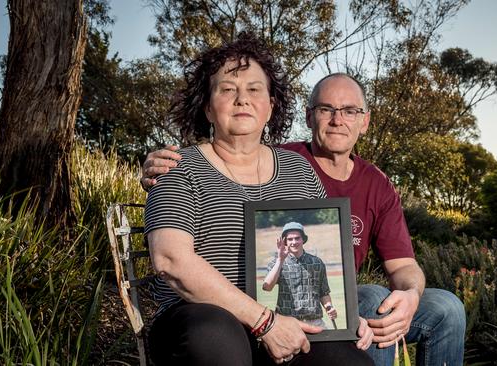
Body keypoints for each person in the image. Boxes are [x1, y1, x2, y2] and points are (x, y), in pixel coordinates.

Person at [142, 72, 467, 366]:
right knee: (369, 298)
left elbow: (403, 265)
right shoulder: (287, 160)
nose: (338, 120)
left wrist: (410, 295)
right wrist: (158, 174)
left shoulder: (371, 182)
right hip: (241, 313)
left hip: (320, 301)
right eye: (326, 109)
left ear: (364, 121)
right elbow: (234, 159)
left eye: (349, 111)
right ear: (309, 117)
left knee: (445, 307)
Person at [143, 35, 373, 365]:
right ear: (207, 107)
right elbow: (170, 261)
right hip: (200, 318)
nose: (242, 100)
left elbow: (327, 256)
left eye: (254, 89)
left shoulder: (299, 170)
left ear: (270, 106)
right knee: (216, 337)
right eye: (227, 89)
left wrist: (347, 317)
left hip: (290, 319)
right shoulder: (177, 166)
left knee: (347, 360)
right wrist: (264, 322)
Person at [263, 222, 337, 328]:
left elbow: (323, 292)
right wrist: (280, 260)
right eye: (290, 239)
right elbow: (267, 287)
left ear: (303, 239)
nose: (294, 242)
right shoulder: (277, 263)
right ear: (285, 241)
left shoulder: (317, 262)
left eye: (297, 238)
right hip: (287, 323)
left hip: (315, 322)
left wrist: (329, 307)